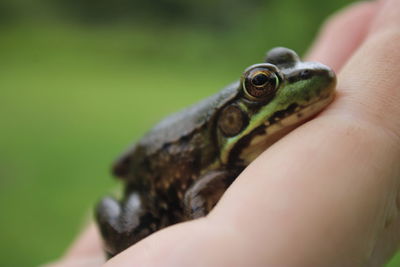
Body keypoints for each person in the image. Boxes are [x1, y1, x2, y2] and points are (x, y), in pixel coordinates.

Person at [48, 0, 400, 266]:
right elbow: (194, 200)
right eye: (263, 84)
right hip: (146, 189)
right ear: (232, 118)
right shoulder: (212, 176)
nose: (302, 75)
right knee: (129, 233)